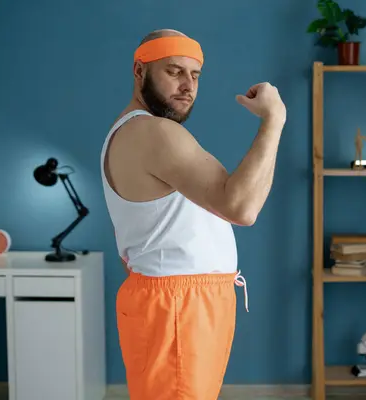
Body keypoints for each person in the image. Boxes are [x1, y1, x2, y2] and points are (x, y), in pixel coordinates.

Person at [100, 28, 286, 400]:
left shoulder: (134, 132)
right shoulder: (154, 133)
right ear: (140, 71)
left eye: (195, 75)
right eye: (174, 71)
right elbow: (242, 207)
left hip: (181, 302)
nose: (188, 85)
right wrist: (274, 119)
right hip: (178, 305)